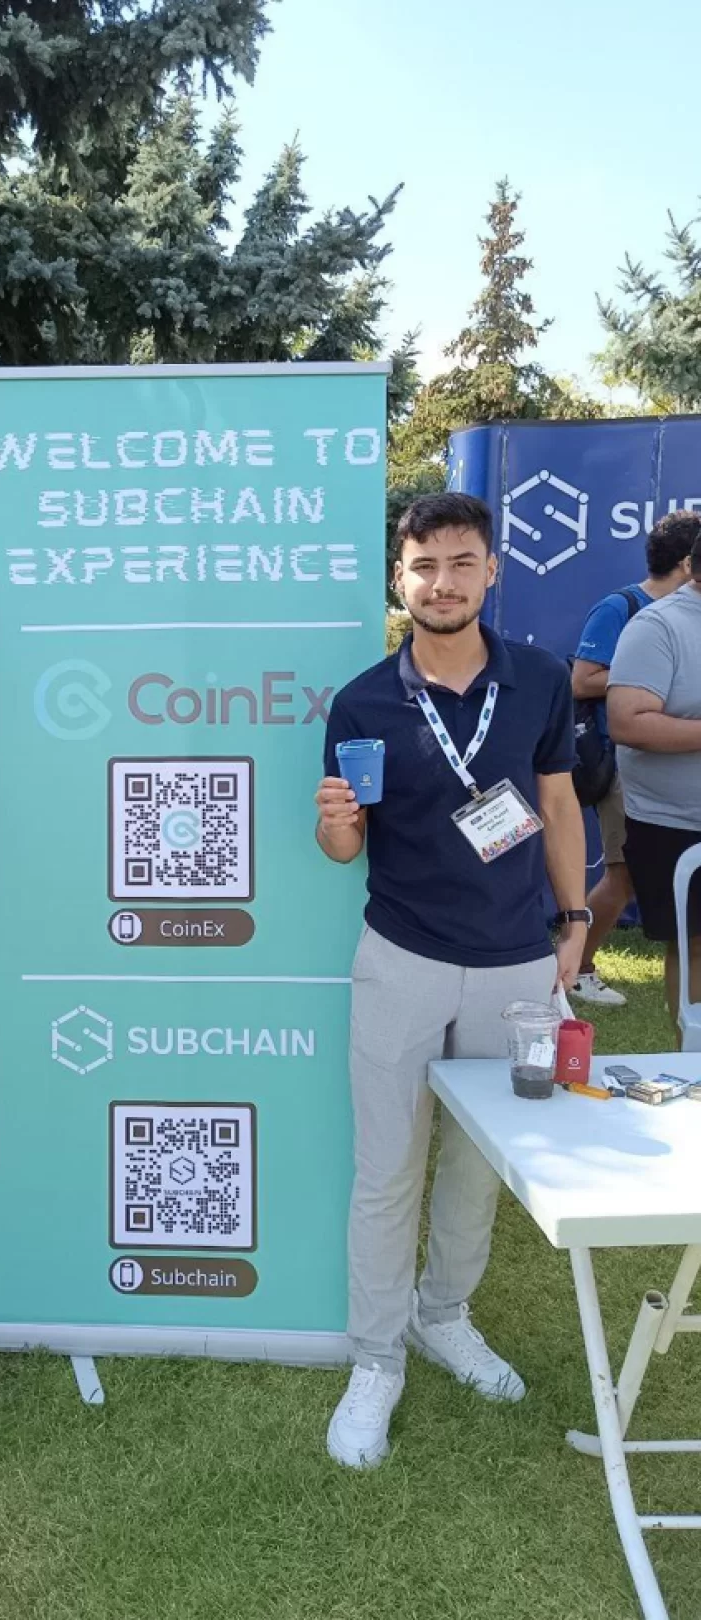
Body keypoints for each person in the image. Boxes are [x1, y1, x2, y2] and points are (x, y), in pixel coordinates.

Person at [316, 492, 586, 1470]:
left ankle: (445, 1317)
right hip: (403, 958)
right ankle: (376, 1358)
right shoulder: (363, 702)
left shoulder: (540, 679)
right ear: (400, 578)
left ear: (491, 570)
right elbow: (343, 845)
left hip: (515, 964)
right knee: (387, 1170)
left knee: (476, 1167)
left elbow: (558, 804)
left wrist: (576, 921)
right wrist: (336, 823)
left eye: (461, 562)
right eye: (424, 566)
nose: (443, 582)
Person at [569, 511, 699, 1006]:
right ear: (688, 562)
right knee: (622, 876)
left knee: (624, 877)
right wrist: (643, 676)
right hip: (622, 767)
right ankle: (577, 965)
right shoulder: (628, 610)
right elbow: (582, 681)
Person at [607, 527, 701, 1031]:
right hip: (678, 825)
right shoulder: (658, 626)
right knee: (694, 946)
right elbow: (628, 722)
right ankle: (694, 1060)